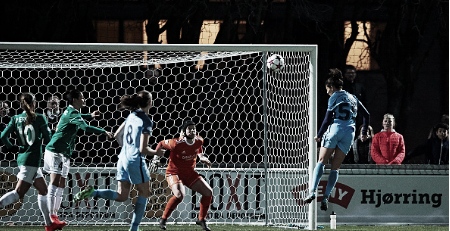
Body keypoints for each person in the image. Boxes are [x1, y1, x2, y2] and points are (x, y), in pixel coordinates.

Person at [73, 90, 165, 231]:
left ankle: (93, 192)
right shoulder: (146, 120)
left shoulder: (131, 116)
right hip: (134, 160)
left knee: (122, 195)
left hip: (122, 158)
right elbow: (143, 149)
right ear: (150, 103)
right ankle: (134, 229)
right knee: (145, 192)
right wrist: (157, 152)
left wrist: (127, 150)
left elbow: (116, 135)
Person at [43, 88, 114, 226]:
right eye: (82, 97)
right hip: (55, 151)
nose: (84, 99)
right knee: (55, 183)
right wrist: (104, 131)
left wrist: (91, 115)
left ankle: (55, 216)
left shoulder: (71, 112)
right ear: (74, 100)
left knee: (62, 184)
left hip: (64, 153)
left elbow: (80, 118)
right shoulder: (72, 112)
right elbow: (85, 128)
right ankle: (51, 217)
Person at [304, 68, 370, 211]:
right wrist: (364, 131)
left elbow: (327, 119)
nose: (327, 92)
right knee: (336, 167)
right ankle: (326, 197)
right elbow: (367, 115)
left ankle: (312, 192)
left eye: (328, 90)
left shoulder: (333, 97)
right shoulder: (353, 97)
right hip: (349, 134)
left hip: (335, 129)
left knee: (321, 161)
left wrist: (319, 134)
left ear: (332, 87)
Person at [0, 93, 62, 231]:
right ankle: (49, 224)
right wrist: (55, 133)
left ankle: (49, 224)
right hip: (31, 160)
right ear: (34, 104)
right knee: (18, 193)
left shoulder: (15, 118)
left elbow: (3, 136)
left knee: (43, 190)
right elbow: (48, 139)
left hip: (24, 158)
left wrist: (11, 147)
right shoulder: (39, 118)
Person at [157, 120, 213, 231]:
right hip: (174, 172)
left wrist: (202, 157)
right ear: (184, 131)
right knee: (179, 195)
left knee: (208, 192)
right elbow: (161, 143)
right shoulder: (176, 143)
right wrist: (155, 158)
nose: (192, 130)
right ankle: (163, 219)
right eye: (189, 128)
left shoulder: (199, 140)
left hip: (189, 173)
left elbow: (199, 148)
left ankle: (201, 219)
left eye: (194, 128)